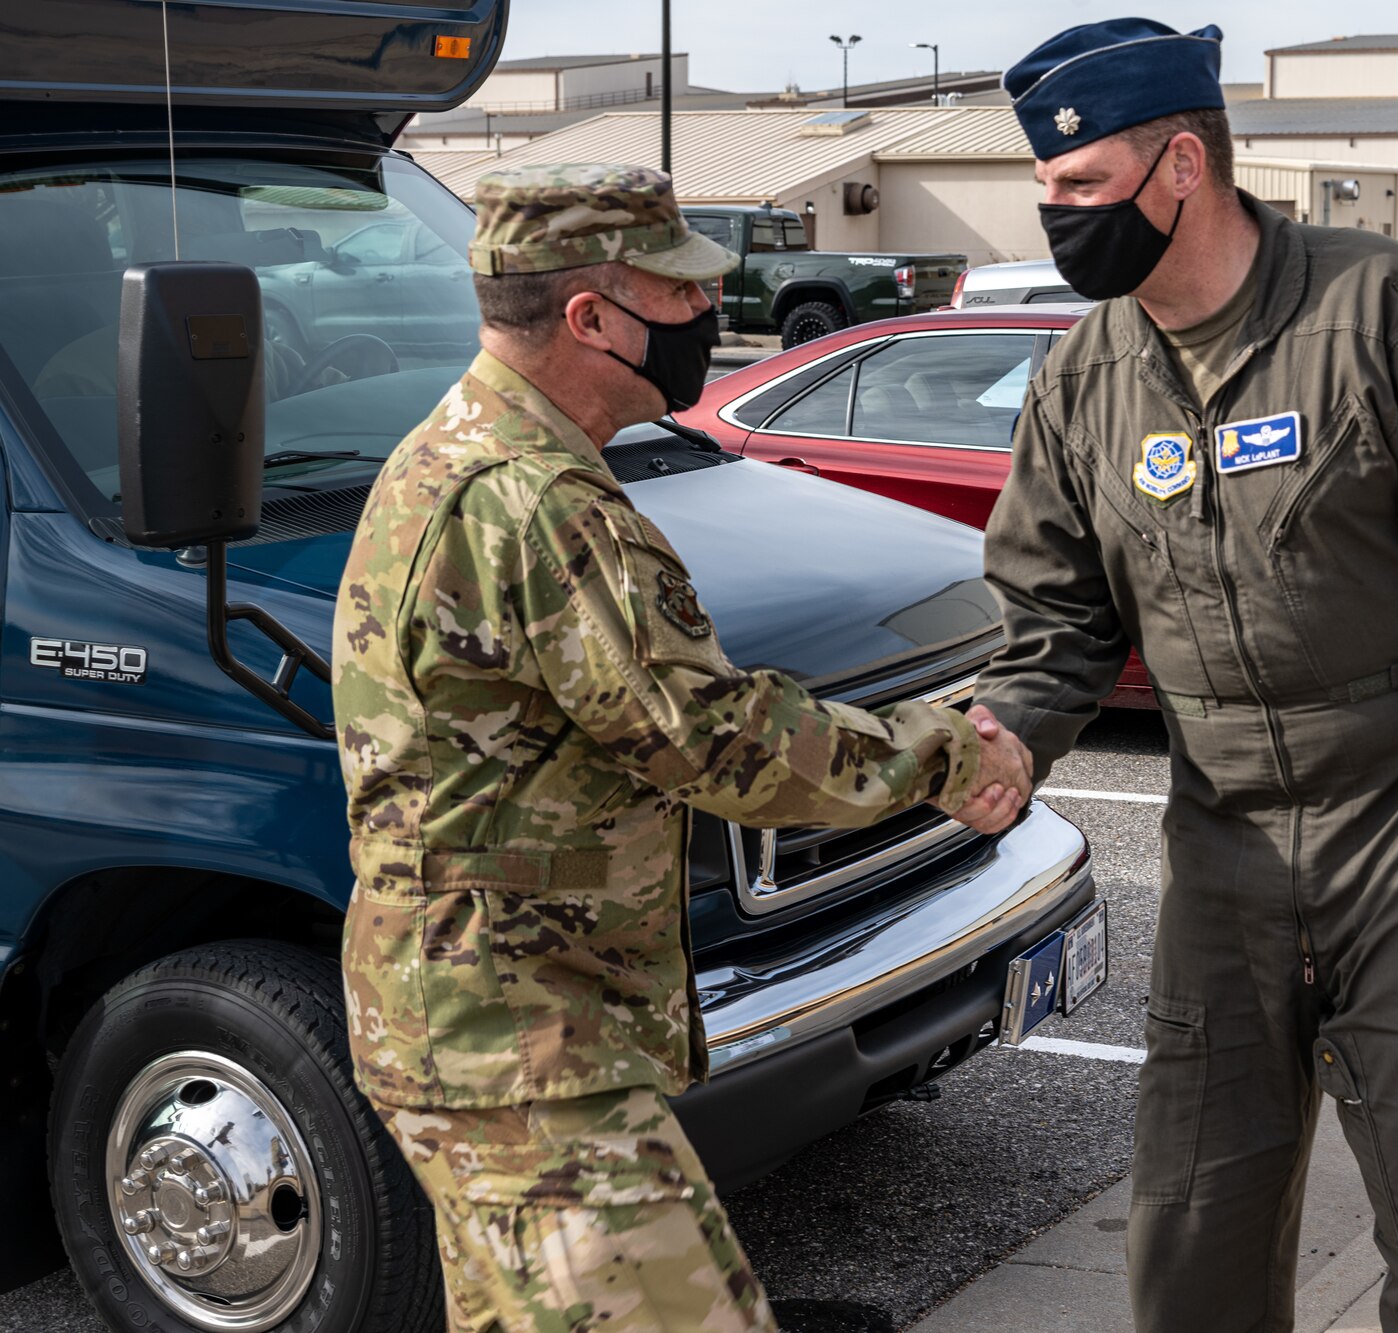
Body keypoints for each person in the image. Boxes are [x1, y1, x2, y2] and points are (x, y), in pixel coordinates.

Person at [332, 162, 1029, 1333]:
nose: (709, 315)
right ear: (590, 317)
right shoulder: (541, 502)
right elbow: (714, 741)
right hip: (525, 1043)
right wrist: (950, 757)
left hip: (478, 1018)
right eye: (680, 295)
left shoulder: (448, 452)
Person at [978, 20, 1398, 1333]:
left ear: (1184, 165)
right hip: (1224, 841)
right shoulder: (1082, 377)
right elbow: (1056, 616)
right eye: (1045, 191)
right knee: (1192, 1227)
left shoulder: (1385, 312)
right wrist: (1008, 735)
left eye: (1083, 186)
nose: (1058, 218)